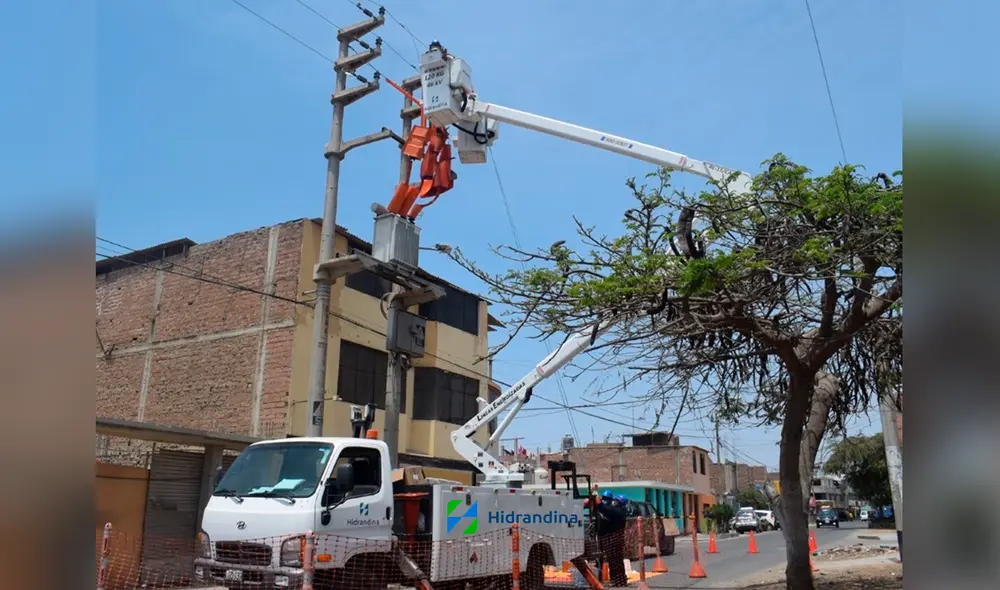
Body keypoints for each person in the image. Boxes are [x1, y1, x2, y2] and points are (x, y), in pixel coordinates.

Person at [596, 491, 629, 586]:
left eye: (615, 501)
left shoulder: (618, 511)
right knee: (615, 561)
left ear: (618, 502)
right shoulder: (617, 511)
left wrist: (598, 501)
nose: (613, 502)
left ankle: (618, 580)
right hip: (613, 539)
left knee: (615, 561)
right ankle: (619, 580)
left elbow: (605, 509)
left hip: (615, 540)